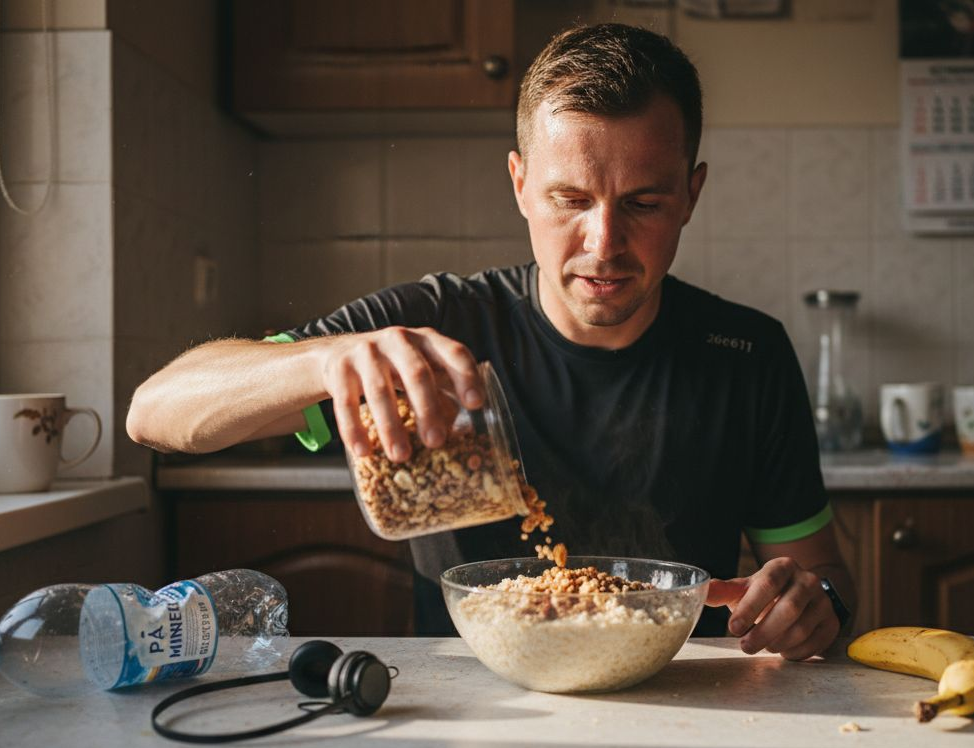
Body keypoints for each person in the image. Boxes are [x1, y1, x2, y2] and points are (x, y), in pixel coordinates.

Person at [128, 23, 855, 660]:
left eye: (644, 203)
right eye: (569, 200)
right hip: (469, 702)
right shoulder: (434, 323)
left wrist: (811, 605)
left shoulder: (747, 355)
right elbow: (155, 415)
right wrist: (327, 360)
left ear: (691, 196)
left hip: (688, 702)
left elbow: (824, 581)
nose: (603, 244)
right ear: (519, 185)